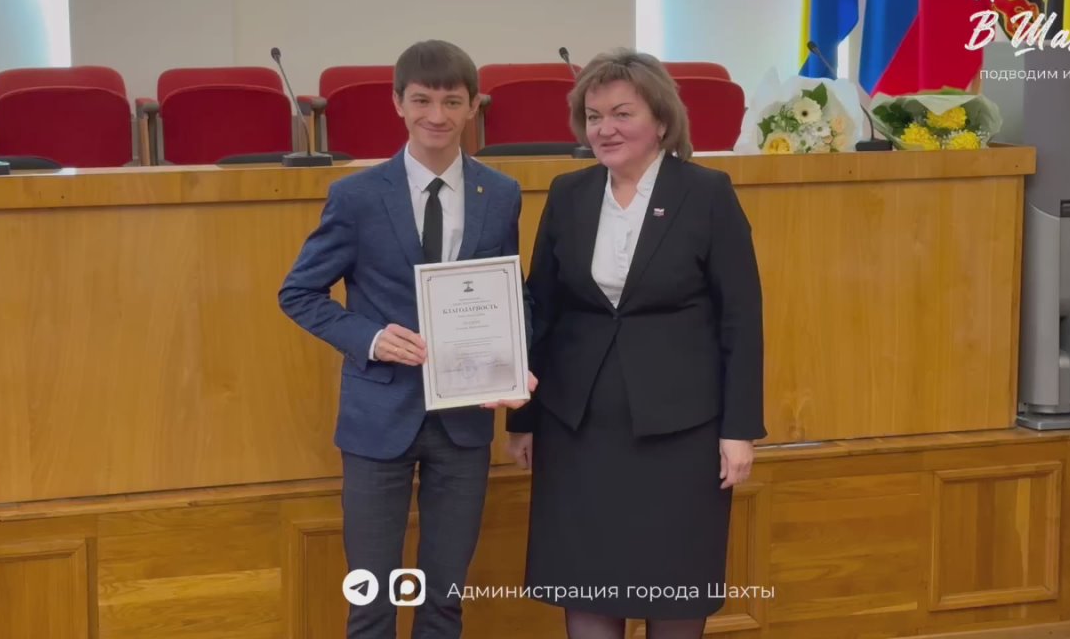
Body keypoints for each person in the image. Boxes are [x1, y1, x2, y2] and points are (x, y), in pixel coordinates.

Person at [505, 48, 766, 639]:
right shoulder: (569, 194)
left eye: (622, 114)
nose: (605, 129)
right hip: (578, 427)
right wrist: (523, 419)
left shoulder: (707, 193)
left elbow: (741, 318)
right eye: (594, 116)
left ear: (662, 121)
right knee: (587, 582)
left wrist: (739, 429)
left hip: (681, 431)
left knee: (673, 582)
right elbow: (541, 309)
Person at [279, 39, 529, 639]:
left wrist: (514, 365)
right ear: (398, 103)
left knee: (445, 601)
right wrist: (369, 338)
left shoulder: (500, 194)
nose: (436, 116)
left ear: (473, 107)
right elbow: (299, 293)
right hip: (377, 420)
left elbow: (508, 295)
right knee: (371, 601)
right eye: (421, 100)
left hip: (464, 421)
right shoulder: (358, 196)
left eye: (452, 101)